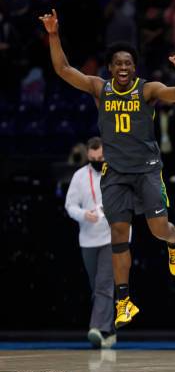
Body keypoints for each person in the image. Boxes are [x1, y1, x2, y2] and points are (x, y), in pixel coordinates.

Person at [39, 9, 175, 329]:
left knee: (157, 230)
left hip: (148, 170)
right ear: (110, 68)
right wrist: (53, 35)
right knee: (119, 235)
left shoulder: (147, 89)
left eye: (128, 63)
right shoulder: (100, 88)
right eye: (118, 63)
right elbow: (63, 69)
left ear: (133, 67)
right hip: (116, 173)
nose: (123, 67)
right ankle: (124, 301)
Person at [65, 137, 116, 349]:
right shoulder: (79, 177)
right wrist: (84, 215)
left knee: (104, 283)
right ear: (88, 155)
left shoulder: (116, 171)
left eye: (101, 158)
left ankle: (96, 328)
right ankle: (109, 330)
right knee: (97, 287)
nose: (97, 161)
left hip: (112, 237)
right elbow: (70, 206)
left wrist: (105, 211)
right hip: (88, 239)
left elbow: (126, 198)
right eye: (93, 158)